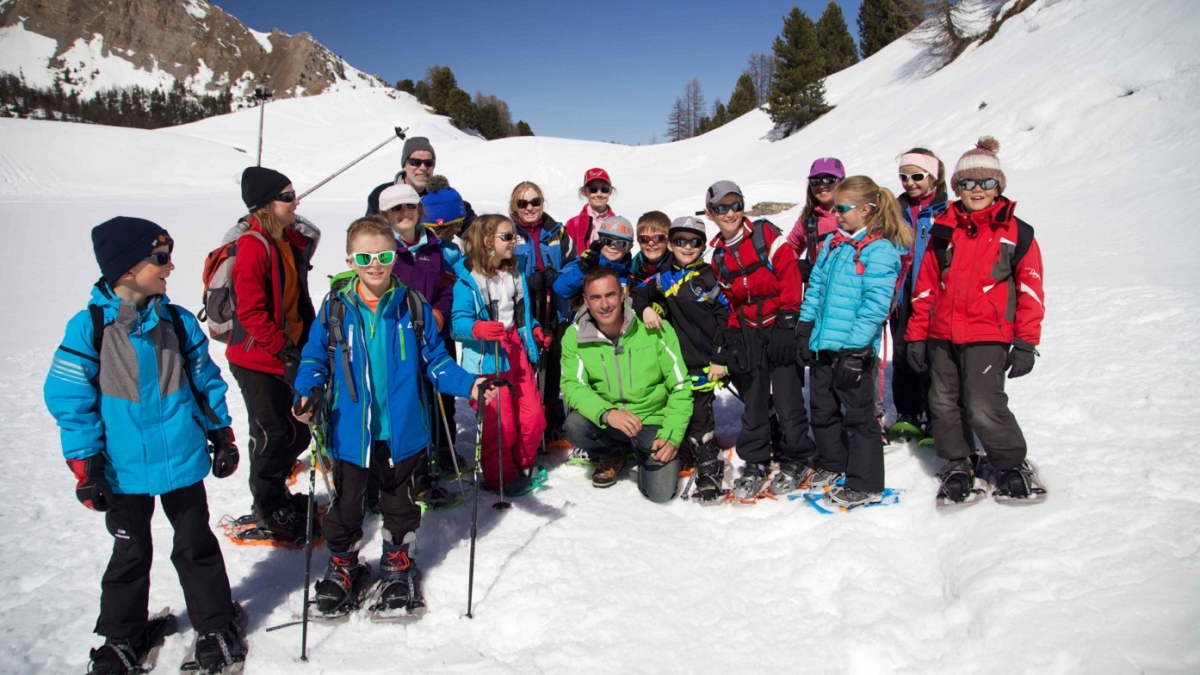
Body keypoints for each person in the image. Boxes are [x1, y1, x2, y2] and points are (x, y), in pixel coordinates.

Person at [45, 217, 246, 675]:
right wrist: (87, 466)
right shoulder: (89, 328)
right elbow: (70, 401)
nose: (170, 266)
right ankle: (121, 635)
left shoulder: (174, 320)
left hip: (181, 458)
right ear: (125, 269)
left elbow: (204, 381)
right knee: (130, 551)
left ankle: (215, 624)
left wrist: (221, 434)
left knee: (195, 544)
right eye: (159, 258)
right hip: (123, 469)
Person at [292, 216, 494, 616]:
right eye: (364, 257)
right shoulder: (336, 307)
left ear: (394, 257)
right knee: (347, 503)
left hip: (402, 429)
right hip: (350, 430)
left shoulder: (411, 307)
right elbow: (314, 357)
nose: (374, 265)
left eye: (383, 255)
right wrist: (308, 390)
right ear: (350, 260)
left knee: (399, 501)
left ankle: (396, 559)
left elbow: (436, 363)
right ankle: (343, 562)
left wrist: (469, 384)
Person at [904, 137, 1046, 502]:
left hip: (988, 334)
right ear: (956, 188)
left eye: (985, 182)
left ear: (999, 185)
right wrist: (917, 335)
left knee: (984, 404)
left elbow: (1030, 293)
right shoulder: (943, 228)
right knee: (943, 402)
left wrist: (1026, 343)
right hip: (942, 334)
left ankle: (1011, 462)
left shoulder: (1017, 232)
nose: (976, 190)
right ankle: (958, 461)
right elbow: (925, 286)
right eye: (967, 183)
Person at [798, 177, 911, 508]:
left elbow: (875, 305)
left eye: (842, 209)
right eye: (835, 208)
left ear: (865, 210)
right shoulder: (833, 244)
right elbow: (815, 286)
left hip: (853, 351)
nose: (837, 214)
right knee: (822, 409)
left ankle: (866, 483)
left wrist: (855, 349)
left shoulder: (881, 250)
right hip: (824, 345)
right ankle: (835, 464)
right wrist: (805, 326)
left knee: (859, 418)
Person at [705, 180, 818, 500]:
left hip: (780, 328)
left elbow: (790, 276)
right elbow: (732, 304)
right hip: (749, 334)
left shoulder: (766, 235)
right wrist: (729, 340)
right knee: (754, 403)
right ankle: (755, 460)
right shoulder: (719, 257)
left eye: (736, 205)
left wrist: (788, 322)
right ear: (711, 213)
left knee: (787, 400)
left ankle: (798, 457)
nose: (730, 213)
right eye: (721, 208)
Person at [225, 166, 318, 544]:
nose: (295, 201)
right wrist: (284, 350)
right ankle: (267, 510)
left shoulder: (283, 239)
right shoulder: (251, 245)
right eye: (287, 196)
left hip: (286, 353)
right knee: (270, 434)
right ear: (265, 204)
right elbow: (250, 312)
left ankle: (278, 497)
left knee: (295, 431)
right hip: (257, 359)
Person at [560, 266, 693, 501]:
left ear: (622, 295)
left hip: (652, 419)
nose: (604, 304)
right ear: (586, 301)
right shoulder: (575, 335)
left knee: (660, 493)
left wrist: (672, 435)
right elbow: (573, 385)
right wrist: (607, 413)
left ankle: (647, 454)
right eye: (596, 297)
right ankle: (613, 453)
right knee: (575, 425)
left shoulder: (653, 328)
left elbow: (680, 385)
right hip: (610, 422)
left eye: (610, 295)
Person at [630, 216, 730, 503]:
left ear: (702, 246)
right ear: (670, 244)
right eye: (681, 241)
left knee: (700, 414)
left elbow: (726, 318)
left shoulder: (710, 278)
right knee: (677, 407)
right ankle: (686, 449)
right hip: (675, 361)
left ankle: (708, 464)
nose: (687, 247)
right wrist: (645, 309)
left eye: (695, 242)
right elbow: (637, 293)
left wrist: (719, 357)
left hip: (705, 360)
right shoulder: (664, 279)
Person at [451, 214, 550, 494]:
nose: (514, 242)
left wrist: (534, 329)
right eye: (507, 237)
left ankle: (522, 463)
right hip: (488, 356)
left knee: (533, 415)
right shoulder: (467, 280)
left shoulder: (514, 274)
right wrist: (478, 328)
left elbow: (520, 314)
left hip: (516, 348)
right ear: (487, 241)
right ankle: (500, 475)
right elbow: (456, 324)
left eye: (514, 236)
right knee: (500, 421)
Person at [889, 148, 950, 441]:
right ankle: (908, 412)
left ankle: (936, 415)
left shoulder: (946, 211)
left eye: (916, 176)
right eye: (904, 177)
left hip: (935, 296)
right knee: (902, 354)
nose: (909, 183)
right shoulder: (895, 211)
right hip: (902, 297)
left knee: (933, 355)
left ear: (934, 177)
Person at [510, 181, 575, 445]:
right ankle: (525, 420)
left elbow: (574, 264)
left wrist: (556, 276)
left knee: (554, 363)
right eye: (522, 203)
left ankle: (553, 421)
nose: (529, 208)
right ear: (514, 206)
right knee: (526, 365)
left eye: (535, 201)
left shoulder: (557, 232)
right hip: (522, 311)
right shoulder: (507, 233)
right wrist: (527, 282)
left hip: (554, 307)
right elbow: (500, 271)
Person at [553, 215, 636, 304]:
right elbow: (560, 289)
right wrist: (582, 270)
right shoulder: (588, 264)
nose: (613, 246)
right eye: (607, 241)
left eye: (620, 243)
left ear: (629, 247)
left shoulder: (633, 272)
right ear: (599, 240)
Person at [787, 157, 845, 281]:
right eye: (815, 181)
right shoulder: (808, 219)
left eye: (829, 179)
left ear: (842, 182)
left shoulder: (855, 213)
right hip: (816, 292)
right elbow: (787, 252)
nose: (822, 185)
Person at [564, 167, 617, 250]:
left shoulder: (617, 223)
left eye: (604, 189)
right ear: (585, 192)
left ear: (610, 192)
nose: (599, 194)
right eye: (593, 190)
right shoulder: (573, 224)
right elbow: (567, 255)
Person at [630, 211, 673, 283]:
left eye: (658, 238)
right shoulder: (634, 266)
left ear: (668, 239)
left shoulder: (675, 266)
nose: (651, 243)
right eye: (644, 239)